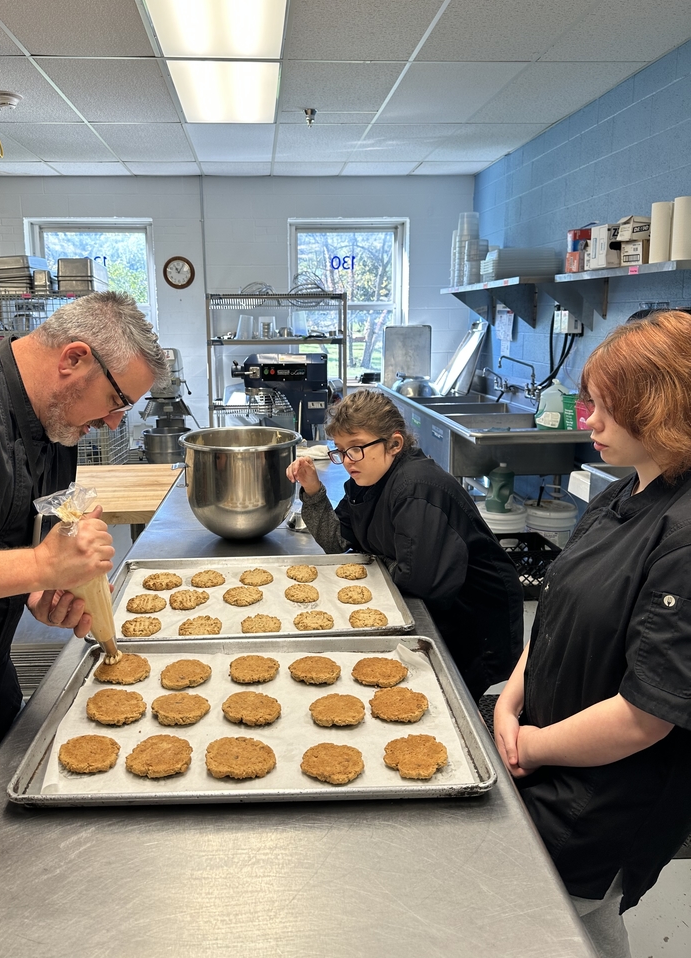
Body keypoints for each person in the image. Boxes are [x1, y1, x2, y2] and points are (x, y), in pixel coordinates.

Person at [0, 291, 168, 859]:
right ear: (74, 359)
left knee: (20, 862)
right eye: (116, 401)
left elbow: (25, 556)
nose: (112, 422)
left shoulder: (56, 433)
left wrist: (47, 591)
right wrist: (40, 565)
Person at [493, 310, 691, 958]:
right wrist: (511, 701)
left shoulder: (683, 533)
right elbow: (553, 615)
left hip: (604, 799)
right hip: (546, 754)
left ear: (664, 409)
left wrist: (535, 746)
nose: (590, 423)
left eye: (610, 409)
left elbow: (645, 716)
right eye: (591, 404)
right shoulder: (618, 495)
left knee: (574, 930)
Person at [286, 388, 524, 701]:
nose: (346, 461)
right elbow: (339, 542)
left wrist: (371, 561)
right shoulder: (367, 481)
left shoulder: (416, 489)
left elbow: (418, 580)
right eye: (340, 450)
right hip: (435, 609)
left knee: (449, 701)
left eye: (355, 448)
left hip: (471, 622)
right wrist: (313, 489)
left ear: (394, 443)